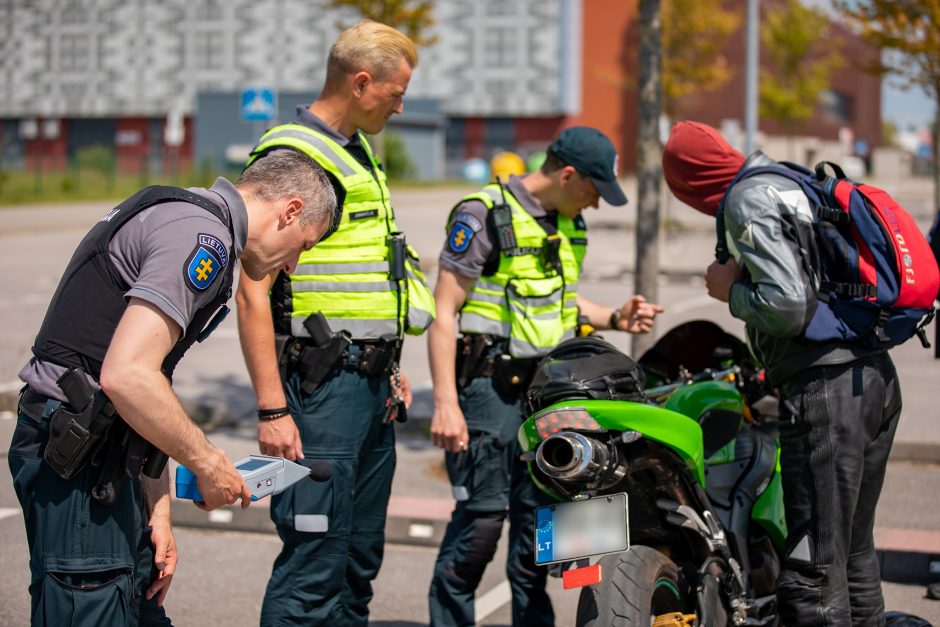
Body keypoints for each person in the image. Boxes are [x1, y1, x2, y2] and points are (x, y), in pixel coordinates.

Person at [8, 149, 337, 627]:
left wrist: (156, 512)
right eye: (305, 245)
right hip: (78, 468)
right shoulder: (202, 238)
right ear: (289, 211)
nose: (292, 267)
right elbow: (128, 376)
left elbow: (149, 386)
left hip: (102, 459)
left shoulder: (188, 214)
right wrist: (208, 464)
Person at [662, 120, 902, 626]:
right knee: (851, 553)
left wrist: (729, 291)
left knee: (813, 567)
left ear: (691, 184)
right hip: (872, 378)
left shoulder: (747, 199)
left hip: (825, 390)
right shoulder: (791, 180)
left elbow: (789, 305)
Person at [235, 19, 435, 626]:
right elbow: (251, 286)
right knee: (314, 561)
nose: (401, 107)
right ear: (361, 82)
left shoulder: (357, 150)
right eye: (395, 93)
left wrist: (390, 368)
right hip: (324, 392)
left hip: (369, 390)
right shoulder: (296, 155)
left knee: (356, 559)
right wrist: (272, 410)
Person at [427, 126, 664, 626]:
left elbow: (558, 300)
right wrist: (446, 403)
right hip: (489, 390)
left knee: (545, 533)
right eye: (593, 192)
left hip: (547, 397)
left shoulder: (568, 222)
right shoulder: (484, 214)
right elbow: (443, 311)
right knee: (480, 527)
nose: (596, 205)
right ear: (567, 173)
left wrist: (615, 318)